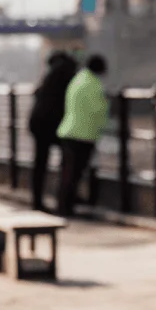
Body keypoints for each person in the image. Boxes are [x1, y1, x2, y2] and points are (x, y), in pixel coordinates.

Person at [56, 54, 109, 218]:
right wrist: (107, 105)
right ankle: (66, 208)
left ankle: (63, 205)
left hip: (68, 131)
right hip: (82, 135)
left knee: (67, 172)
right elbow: (98, 109)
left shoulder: (78, 79)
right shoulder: (93, 84)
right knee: (74, 173)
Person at [28, 50, 78, 211]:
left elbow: (37, 93)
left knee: (40, 163)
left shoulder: (49, 76)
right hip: (52, 125)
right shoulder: (67, 74)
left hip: (38, 123)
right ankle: (65, 198)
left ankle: (37, 201)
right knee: (69, 159)